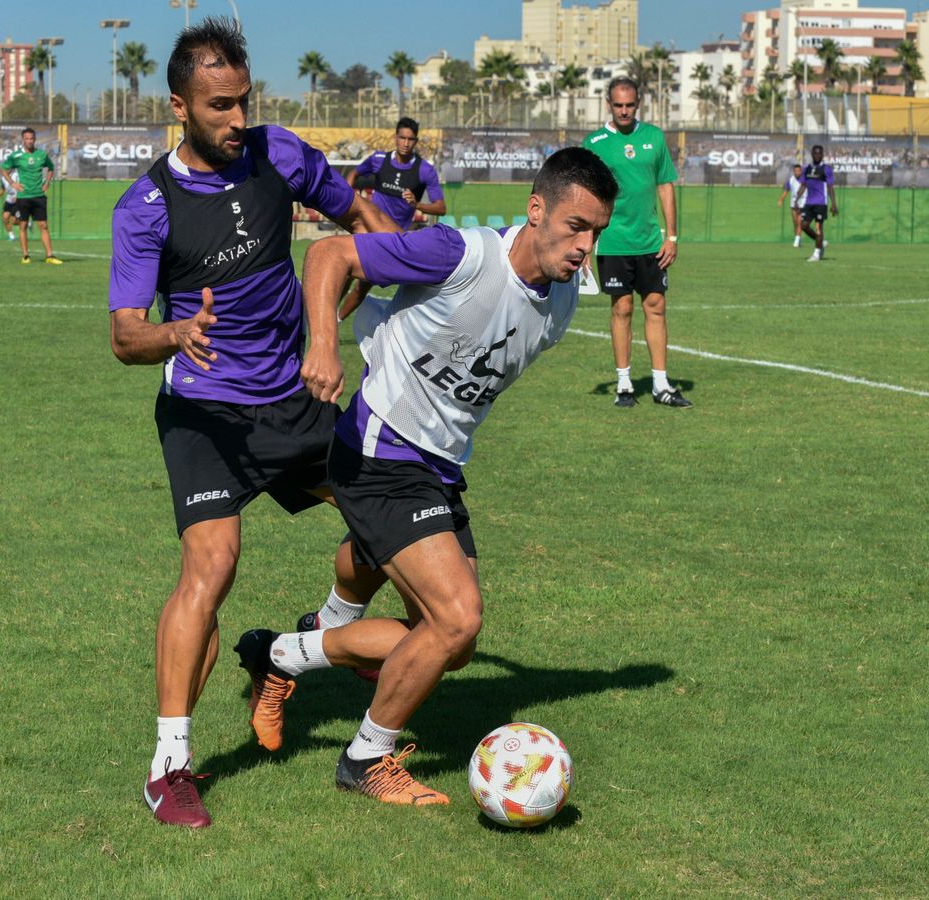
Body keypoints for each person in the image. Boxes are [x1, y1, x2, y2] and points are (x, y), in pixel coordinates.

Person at [233, 147, 616, 808]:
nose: (585, 245)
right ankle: (365, 759)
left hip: (437, 468)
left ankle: (285, 652)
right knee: (457, 618)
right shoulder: (460, 255)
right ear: (536, 210)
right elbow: (331, 256)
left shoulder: (560, 309)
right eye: (576, 225)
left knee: (447, 647)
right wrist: (324, 343)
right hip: (382, 451)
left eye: (597, 232)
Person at [107, 17, 397, 829]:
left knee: (393, 528)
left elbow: (357, 216)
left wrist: (395, 272)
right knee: (213, 562)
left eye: (245, 102)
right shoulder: (147, 207)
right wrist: (174, 333)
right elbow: (125, 334)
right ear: (179, 106)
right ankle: (170, 767)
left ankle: (297, 648)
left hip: (295, 400)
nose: (238, 121)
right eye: (219, 107)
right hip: (204, 414)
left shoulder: (281, 153)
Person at [582, 76, 690, 409]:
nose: (625, 111)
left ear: (639, 103)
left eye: (630, 105)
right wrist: (586, 242)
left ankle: (661, 384)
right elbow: (587, 196)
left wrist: (671, 236)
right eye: (619, 105)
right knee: (622, 308)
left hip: (650, 242)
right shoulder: (595, 143)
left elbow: (666, 187)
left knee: (656, 306)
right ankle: (625, 384)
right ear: (609, 105)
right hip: (614, 241)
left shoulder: (654, 138)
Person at [337, 117, 447, 320]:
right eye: (402, 138)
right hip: (367, 230)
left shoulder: (424, 170)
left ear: (416, 141)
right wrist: (348, 195)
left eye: (411, 139)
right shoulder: (379, 159)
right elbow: (354, 172)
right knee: (345, 272)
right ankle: (327, 318)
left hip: (392, 238)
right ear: (395, 137)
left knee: (363, 283)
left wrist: (417, 205)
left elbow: (441, 208)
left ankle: (336, 320)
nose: (406, 143)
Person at [3, 128, 61, 265]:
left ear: (35, 139)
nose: (29, 141)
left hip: (39, 196)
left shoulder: (41, 154)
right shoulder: (16, 156)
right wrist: (13, 183)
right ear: (23, 140)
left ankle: (50, 256)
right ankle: (25, 256)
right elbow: (3, 169)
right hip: (23, 196)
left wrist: (47, 182)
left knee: (44, 225)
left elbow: (51, 168)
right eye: (27, 138)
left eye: (32, 138)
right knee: (22, 226)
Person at [796, 144, 836, 262]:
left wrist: (833, 204)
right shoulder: (807, 168)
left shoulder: (826, 169)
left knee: (818, 228)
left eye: (820, 153)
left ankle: (816, 254)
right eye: (815, 153)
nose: (817, 155)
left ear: (822, 155)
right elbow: (803, 185)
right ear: (812, 154)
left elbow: (830, 187)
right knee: (803, 225)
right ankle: (821, 242)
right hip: (809, 203)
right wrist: (797, 199)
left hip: (821, 203)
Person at [778, 163, 806, 248]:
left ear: (801, 171)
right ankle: (798, 238)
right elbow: (786, 191)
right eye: (796, 171)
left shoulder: (804, 180)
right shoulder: (791, 180)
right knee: (795, 222)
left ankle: (796, 241)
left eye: (799, 171)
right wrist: (781, 200)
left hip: (802, 203)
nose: (797, 172)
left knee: (800, 222)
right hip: (793, 203)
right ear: (793, 172)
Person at [0, 170, 17, 242]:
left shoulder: (17, 175)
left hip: (18, 200)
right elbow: (3, 189)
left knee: (14, 221)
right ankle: (12, 236)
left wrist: (19, 196)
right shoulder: (3, 178)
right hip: (9, 200)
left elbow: (22, 186)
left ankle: (28, 223)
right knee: (5, 218)